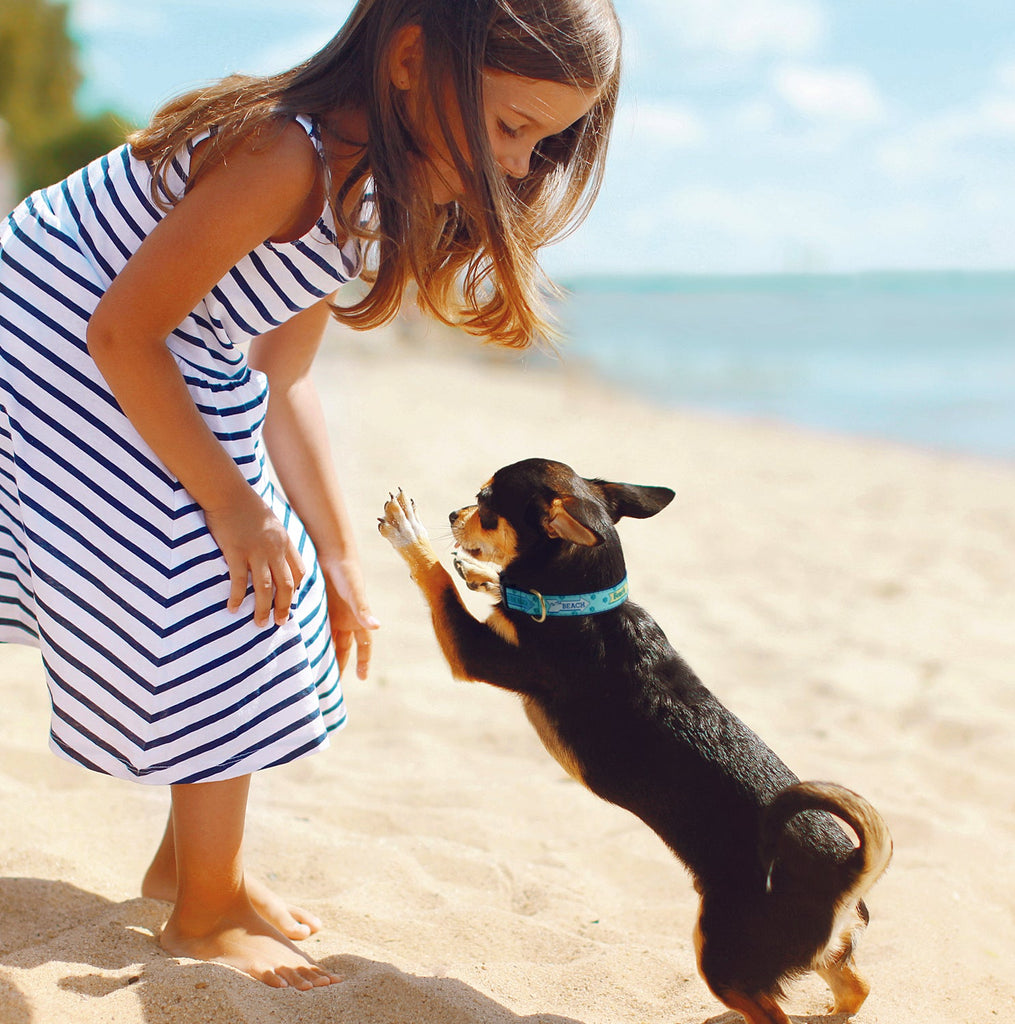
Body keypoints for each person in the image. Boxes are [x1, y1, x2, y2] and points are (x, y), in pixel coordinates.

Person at [0, 0, 621, 992]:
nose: (517, 167)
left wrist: (334, 548)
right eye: (509, 126)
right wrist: (230, 506)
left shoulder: (367, 197)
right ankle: (204, 909)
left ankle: (194, 865)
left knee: (273, 570)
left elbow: (281, 382)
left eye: (541, 143)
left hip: (153, 351)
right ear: (413, 59)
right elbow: (122, 330)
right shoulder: (282, 156)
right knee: (221, 575)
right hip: (54, 342)